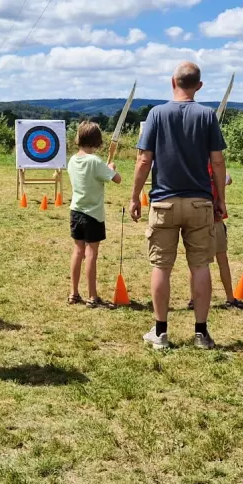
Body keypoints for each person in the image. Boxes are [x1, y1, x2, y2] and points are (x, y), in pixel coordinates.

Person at [129, 62, 227, 350]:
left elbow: (144, 160)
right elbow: (217, 161)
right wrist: (220, 198)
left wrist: (134, 196)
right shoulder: (207, 115)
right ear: (199, 86)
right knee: (200, 266)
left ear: (173, 81)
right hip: (199, 203)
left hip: (164, 203)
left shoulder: (156, 114)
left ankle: (160, 332)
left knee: (161, 266)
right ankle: (201, 333)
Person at [67, 120, 121, 306]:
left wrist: (104, 170)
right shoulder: (96, 161)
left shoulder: (73, 160)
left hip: (76, 212)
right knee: (91, 254)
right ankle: (92, 296)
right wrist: (111, 168)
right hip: (93, 215)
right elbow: (117, 179)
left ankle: (73, 293)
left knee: (78, 251)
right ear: (96, 140)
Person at [188, 165, 243, 310]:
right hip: (213, 220)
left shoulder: (194, 167)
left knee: (197, 262)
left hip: (199, 219)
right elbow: (228, 178)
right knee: (220, 261)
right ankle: (229, 298)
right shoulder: (213, 168)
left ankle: (194, 299)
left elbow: (228, 179)